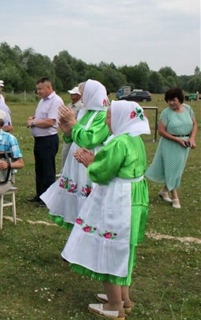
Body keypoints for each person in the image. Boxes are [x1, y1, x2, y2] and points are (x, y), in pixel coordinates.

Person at [61, 100, 150, 320]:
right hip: (134, 197)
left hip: (118, 200)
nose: (107, 120)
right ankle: (123, 300)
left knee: (108, 248)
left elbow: (102, 173)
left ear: (122, 118)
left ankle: (114, 307)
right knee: (123, 250)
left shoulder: (119, 142)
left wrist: (90, 163)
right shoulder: (134, 139)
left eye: (110, 117)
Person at [42, 80, 110, 228]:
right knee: (76, 193)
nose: (81, 98)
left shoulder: (103, 115)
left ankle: (89, 227)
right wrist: (67, 131)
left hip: (90, 159)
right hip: (76, 160)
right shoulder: (86, 112)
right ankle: (76, 223)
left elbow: (90, 140)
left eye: (83, 94)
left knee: (88, 197)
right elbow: (75, 135)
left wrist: (73, 123)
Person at [145, 87, 197, 209]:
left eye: (173, 100)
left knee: (178, 170)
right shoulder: (166, 113)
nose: (171, 103)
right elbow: (161, 131)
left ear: (179, 99)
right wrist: (178, 140)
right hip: (170, 144)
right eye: (169, 100)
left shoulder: (188, 109)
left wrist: (192, 138)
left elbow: (194, 124)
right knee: (172, 170)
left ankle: (163, 191)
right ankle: (175, 198)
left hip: (185, 144)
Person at [26, 77, 64, 207]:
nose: (38, 92)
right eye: (37, 89)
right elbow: (43, 117)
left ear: (48, 87)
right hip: (39, 140)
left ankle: (49, 199)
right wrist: (34, 118)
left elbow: (50, 122)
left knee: (48, 170)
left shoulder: (56, 101)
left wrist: (33, 123)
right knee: (39, 168)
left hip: (48, 139)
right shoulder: (43, 101)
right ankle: (40, 194)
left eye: (40, 89)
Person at [59, 86, 84, 173]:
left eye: (73, 94)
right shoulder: (69, 105)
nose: (71, 95)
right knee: (65, 152)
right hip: (68, 132)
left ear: (78, 96)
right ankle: (63, 171)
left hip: (76, 131)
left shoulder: (81, 106)